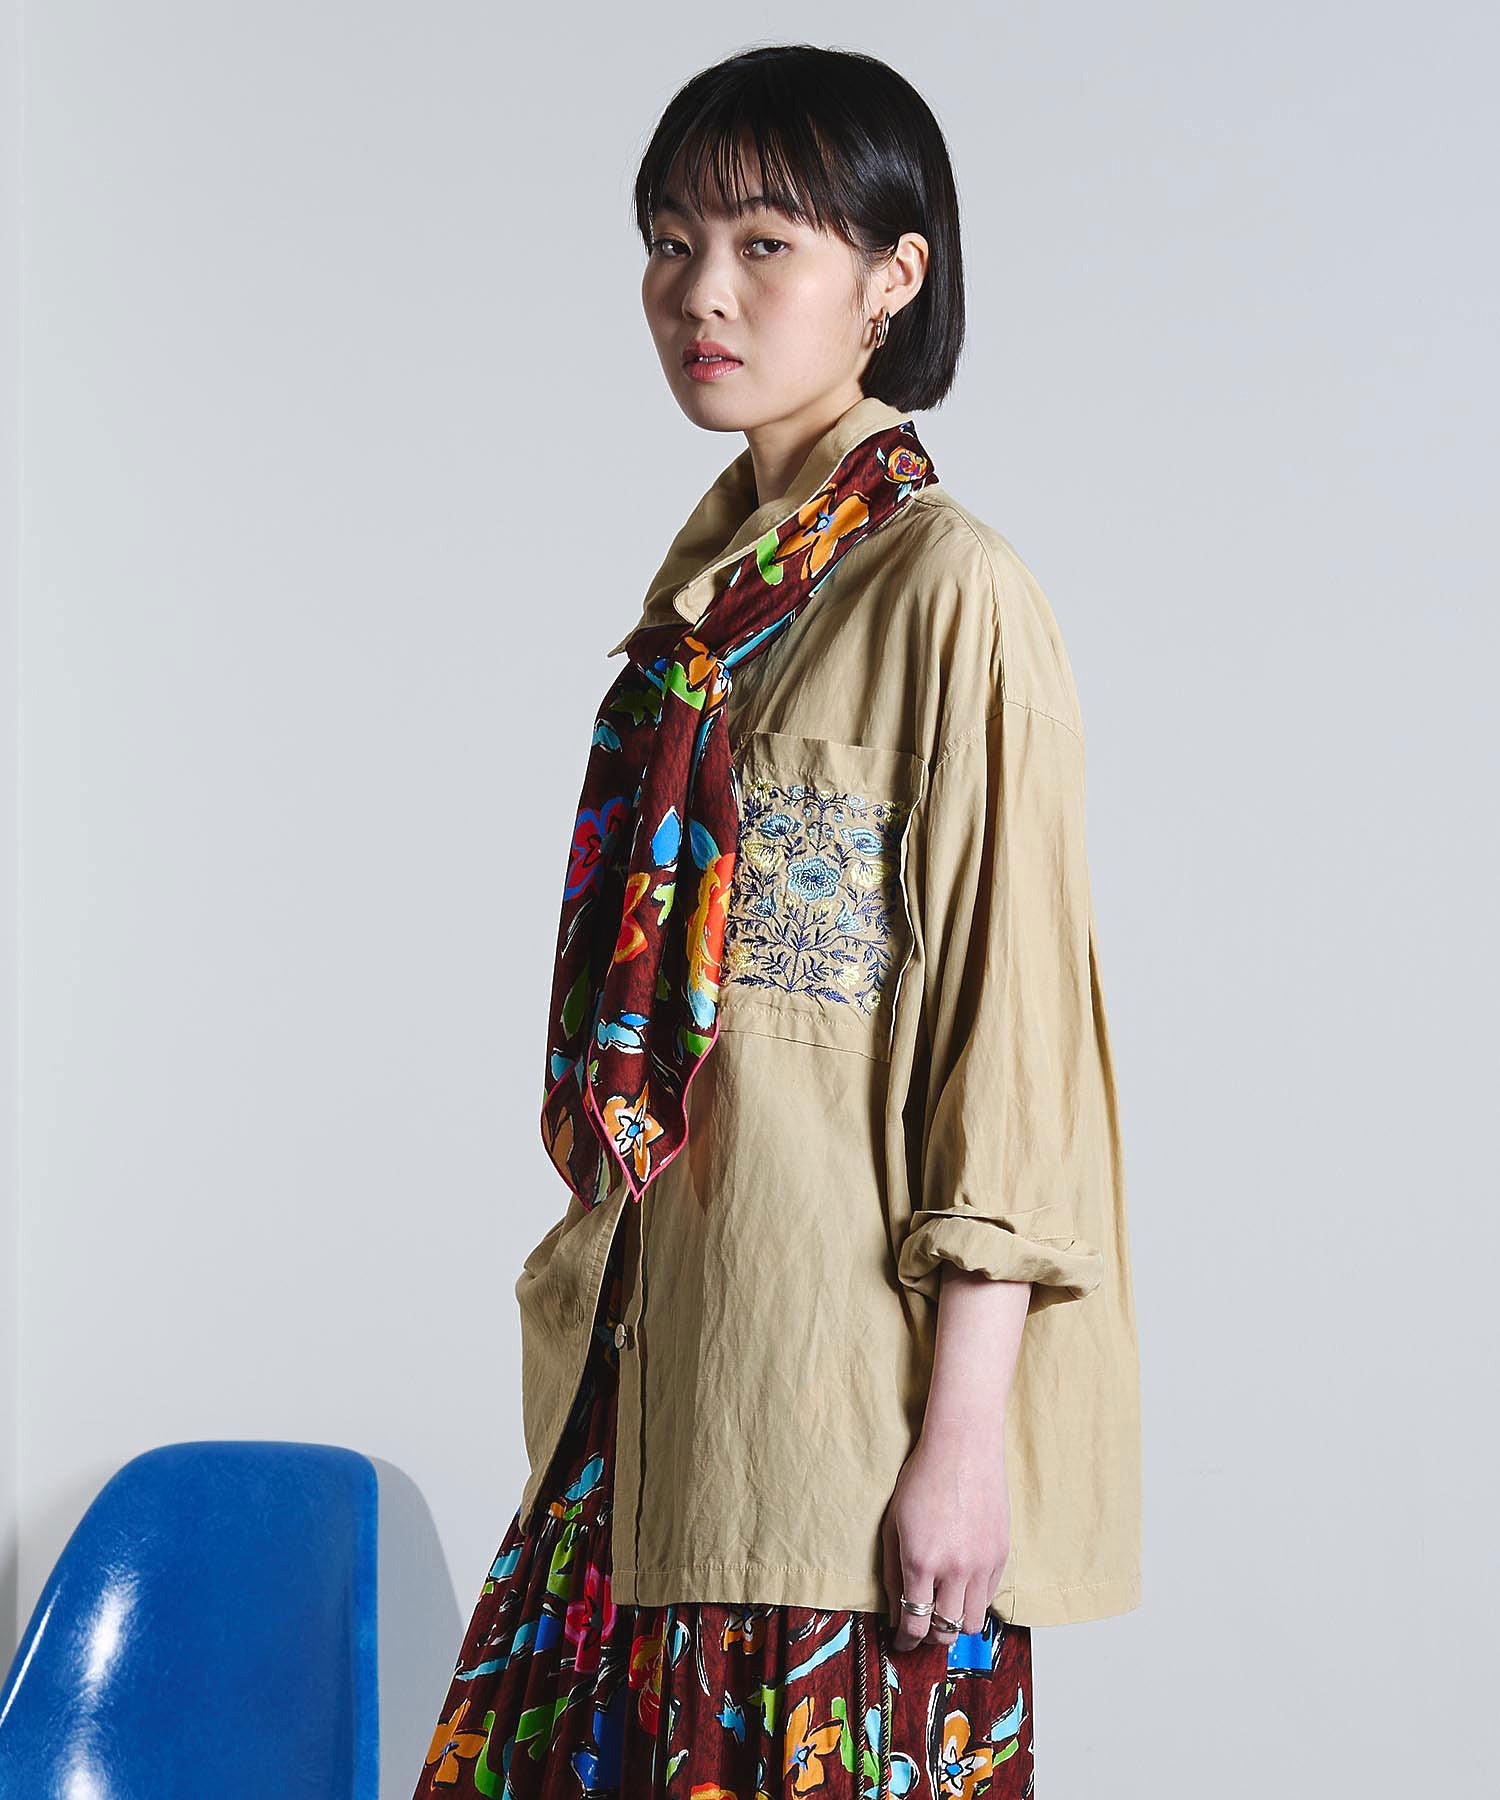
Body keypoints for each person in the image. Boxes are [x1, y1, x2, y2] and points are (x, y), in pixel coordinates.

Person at [412, 42, 1140, 1800]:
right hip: (643, 1418)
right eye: (671, 242)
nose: (700, 292)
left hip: (839, 1449)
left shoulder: (953, 594)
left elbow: (1011, 1053)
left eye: (763, 243)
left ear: (892, 279)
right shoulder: (700, 629)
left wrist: (963, 1444)